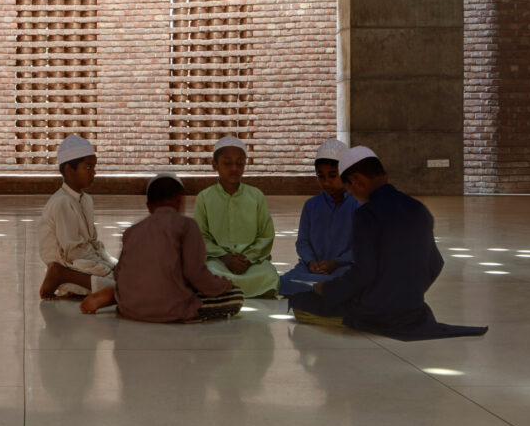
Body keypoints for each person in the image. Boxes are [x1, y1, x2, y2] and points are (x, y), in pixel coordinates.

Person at [288, 146, 488, 340]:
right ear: (385, 174)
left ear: (356, 182)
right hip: (412, 310)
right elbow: (435, 264)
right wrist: (408, 294)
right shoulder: (418, 208)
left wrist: (327, 290)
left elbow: (363, 273)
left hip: (373, 310)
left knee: (301, 303)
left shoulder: (366, 214)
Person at [80, 173, 244, 320]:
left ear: (149, 206)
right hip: (171, 308)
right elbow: (196, 273)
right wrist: (224, 284)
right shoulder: (187, 226)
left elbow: (119, 274)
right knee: (236, 295)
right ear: (180, 199)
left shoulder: (132, 231)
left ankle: (115, 296)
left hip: (129, 307)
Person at [192, 136, 280, 298]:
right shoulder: (204, 198)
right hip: (218, 261)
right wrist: (225, 258)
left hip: (251, 263)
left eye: (239, 163)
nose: (234, 168)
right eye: (227, 163)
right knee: (209, 272)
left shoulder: (256, 196)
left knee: (269, 275)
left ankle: (226, 291)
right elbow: (200, 237)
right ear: (214, 165)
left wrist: (247, 258)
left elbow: (266, 235)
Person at [38, 135, 117, 299]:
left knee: (127, 275)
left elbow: (93, 243)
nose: (93, 173)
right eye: (88, 168)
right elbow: (73, 253)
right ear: (69, 169)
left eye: (94, 168)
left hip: (84, 263)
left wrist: (110, 264)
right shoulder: (61, 202)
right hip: (70, 265)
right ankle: (60, 275)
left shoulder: (86, 200)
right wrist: (106, 269)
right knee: (120, 289)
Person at [279, 139, 360, 296]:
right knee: (285, 282)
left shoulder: (358, 206)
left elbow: (362, 247)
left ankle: (321, 289)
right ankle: (325, 290)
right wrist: (311, 262)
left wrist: (336, 263)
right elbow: (302, 242)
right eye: (321, 176)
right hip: (312, 269)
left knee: (353, 280)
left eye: (332, 176)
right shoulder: (311, 205)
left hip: (344, 267)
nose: (326, 182)